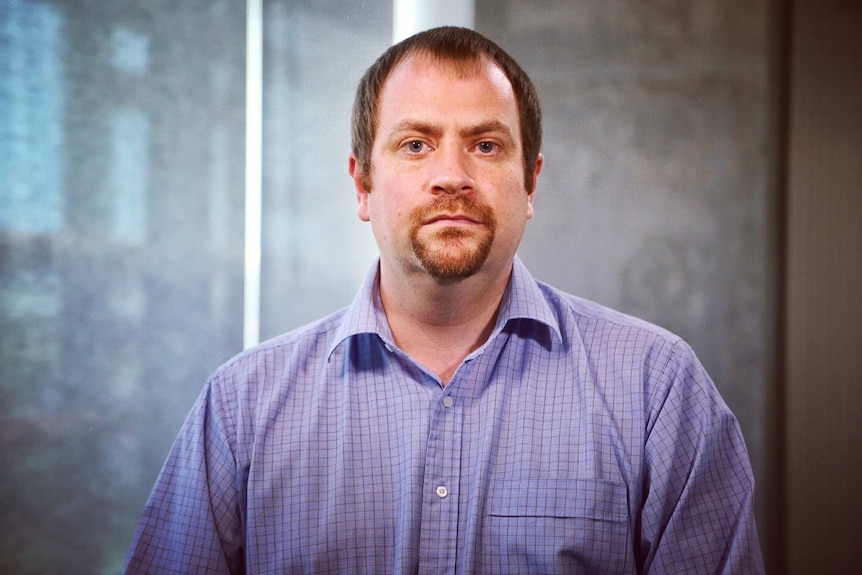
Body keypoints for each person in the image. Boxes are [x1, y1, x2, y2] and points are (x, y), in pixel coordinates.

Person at [124, 26, 764, 574]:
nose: (452, 175)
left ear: (530, 180)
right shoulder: (242, 407)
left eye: (486, 145)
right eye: (416, 144)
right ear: (363, 185)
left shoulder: (658, 390)